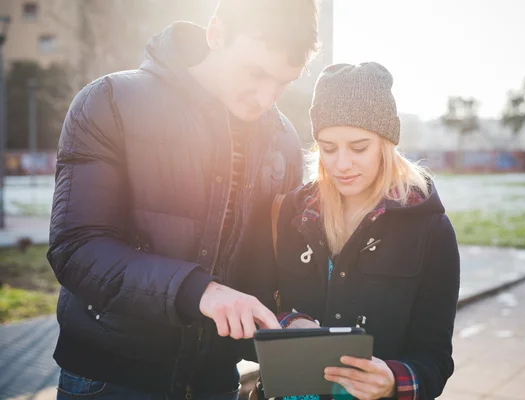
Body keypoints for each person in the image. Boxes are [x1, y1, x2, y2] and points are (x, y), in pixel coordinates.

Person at [47, 1, 319, 399]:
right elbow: (76, 249)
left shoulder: (283, 140)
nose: (265, 97)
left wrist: (290, 319)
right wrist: (200, 291)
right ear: (216, 33)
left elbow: (269, 267)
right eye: (256, 72)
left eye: (284, 82)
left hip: (214, 382)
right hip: (111, 380)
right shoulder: (109, 102)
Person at [248, 62, 461, 400]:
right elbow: (255, 305)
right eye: (328, 148)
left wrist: (393, 380)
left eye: (359, 147)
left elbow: (434, 360)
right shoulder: (292, 212)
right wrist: (290, 321)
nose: (341, 164)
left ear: (386, 143)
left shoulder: (430, 230)